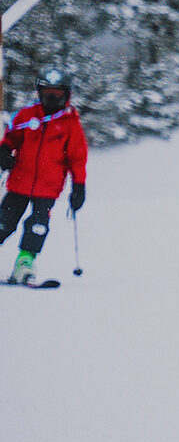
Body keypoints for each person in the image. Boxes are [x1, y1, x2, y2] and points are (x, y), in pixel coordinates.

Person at [1, 69, 88, 286]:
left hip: (48, 188)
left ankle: (25, 263)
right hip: (19, 182)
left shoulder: (70, 123)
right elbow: (11, 138)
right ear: (40, 92)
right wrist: (4, 152)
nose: (52, 98)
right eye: (48, 93)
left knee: (38, 226)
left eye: (57, 94)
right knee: (4, 223)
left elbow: (77, 158)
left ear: (66, 95)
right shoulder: (27, 115)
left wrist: (79, 186)